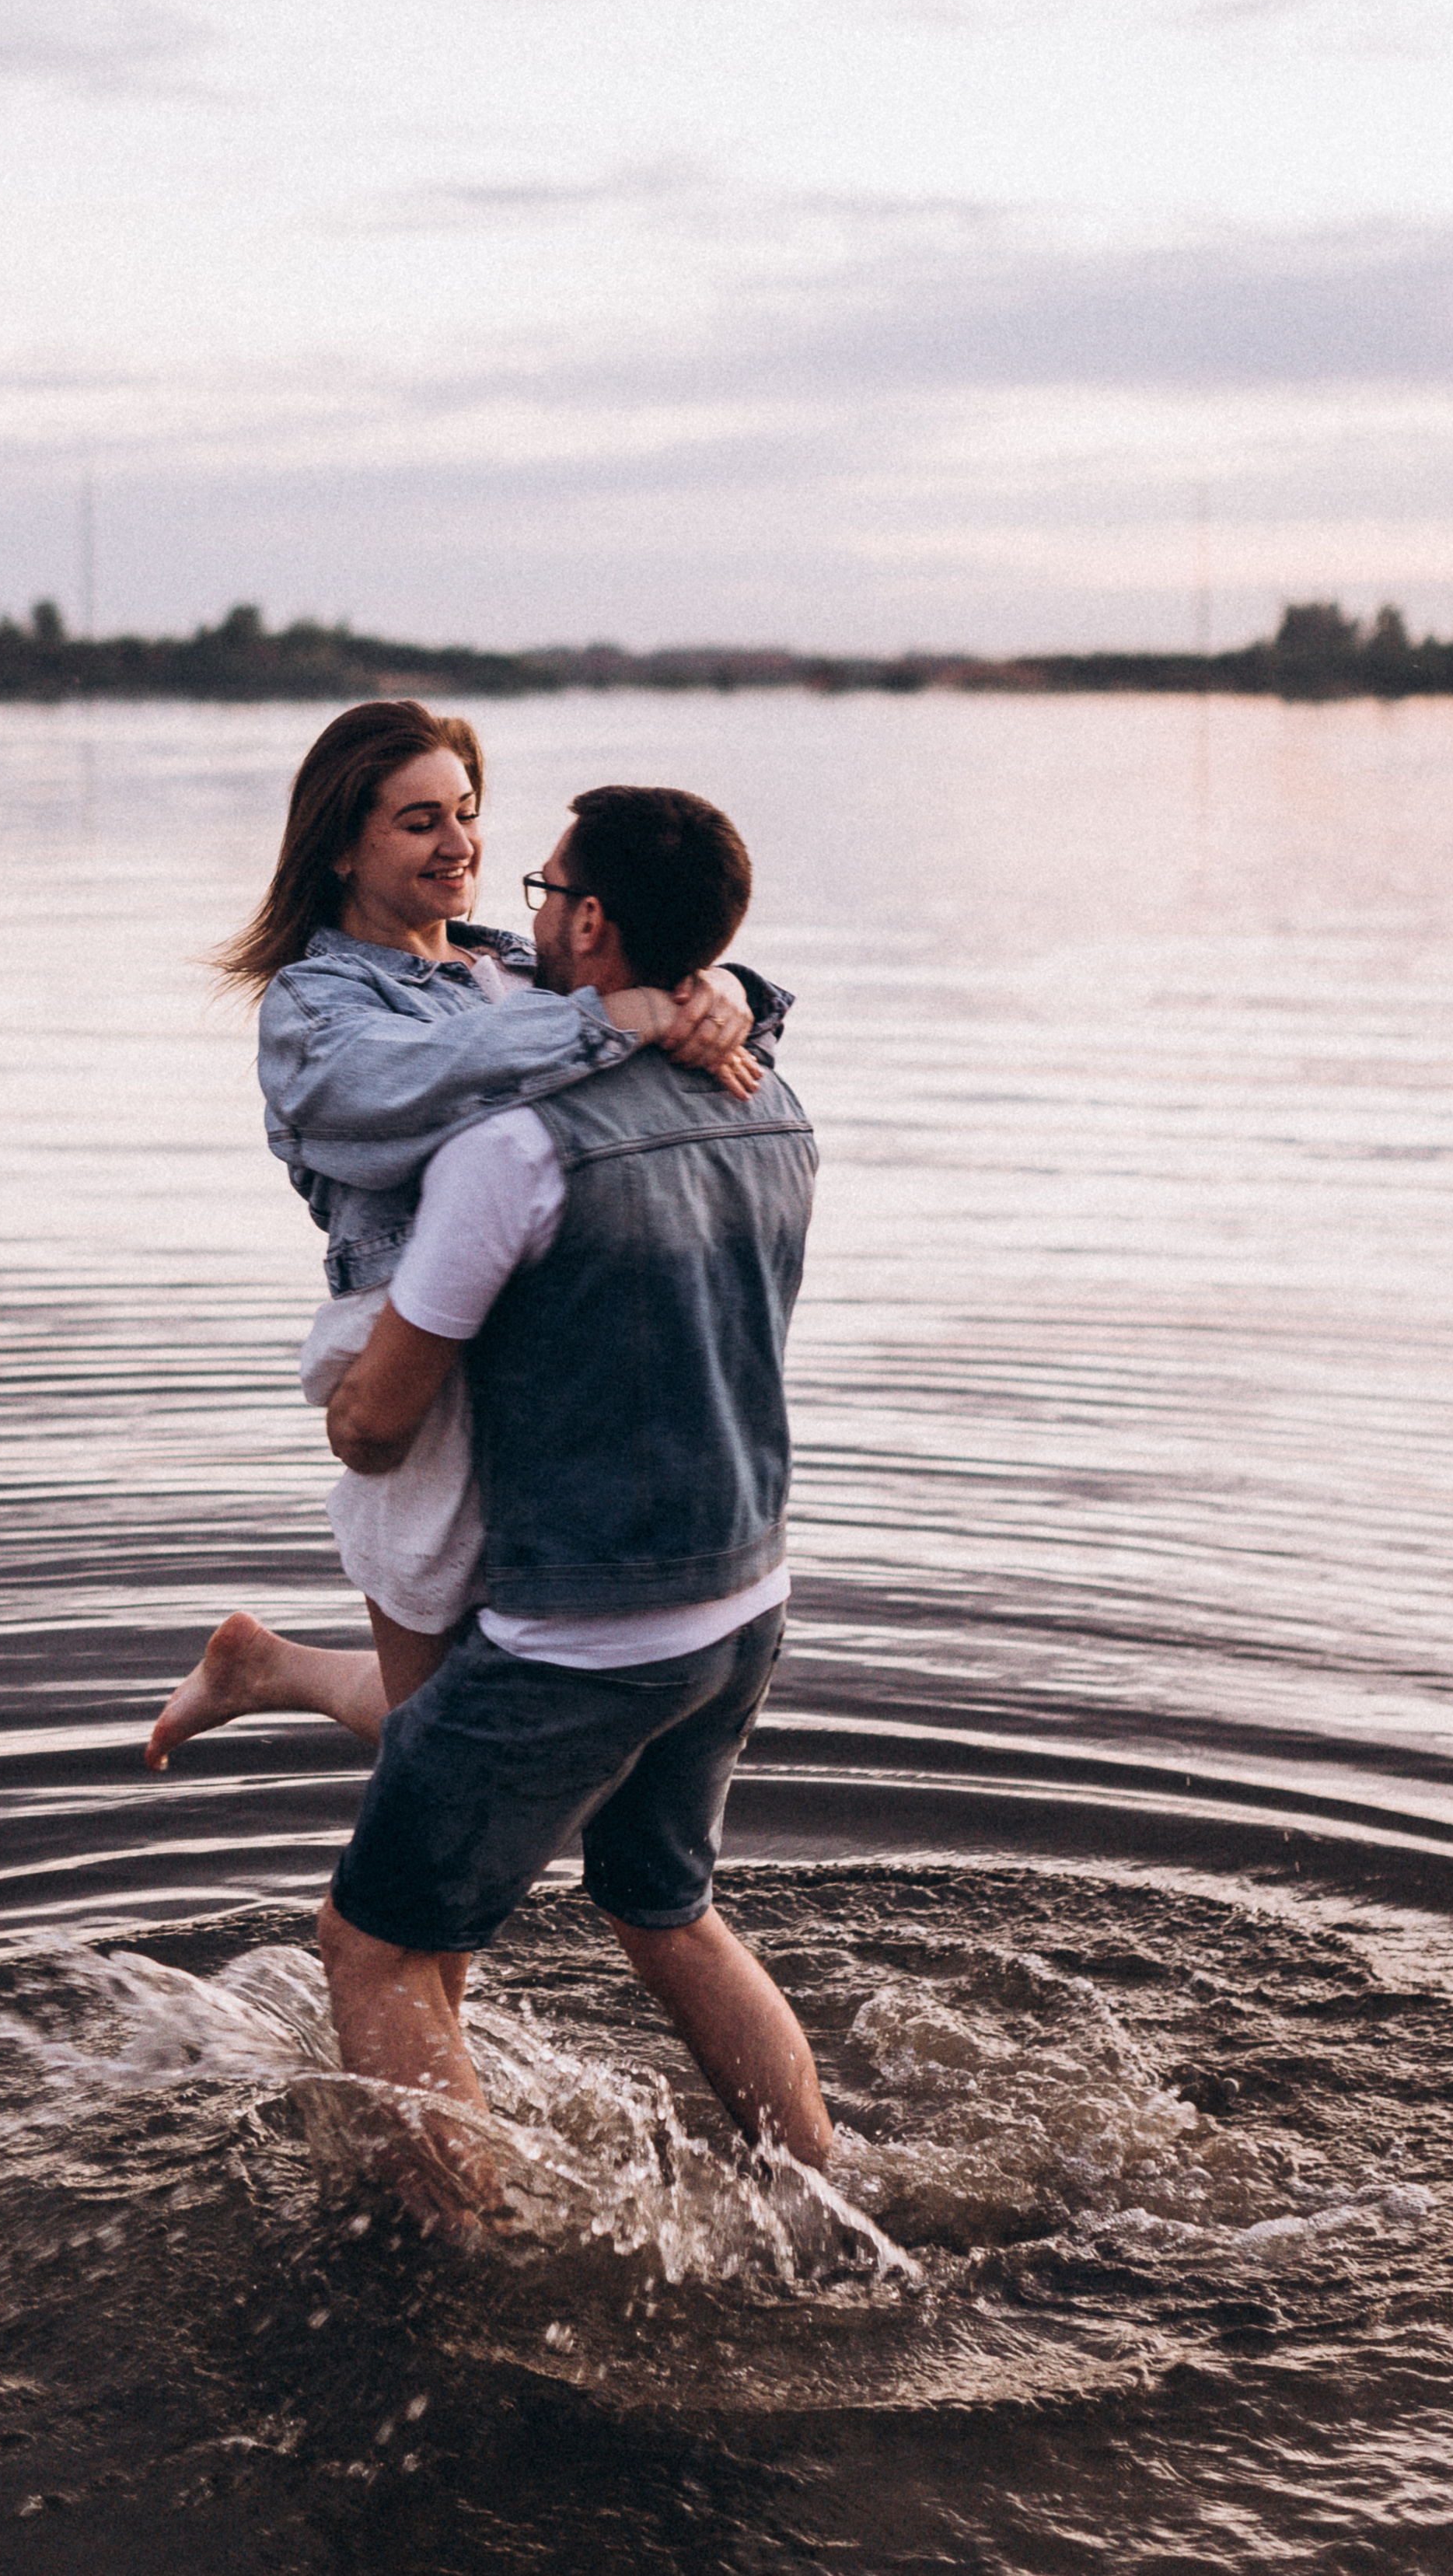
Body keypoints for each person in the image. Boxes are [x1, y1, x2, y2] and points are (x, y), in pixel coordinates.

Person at [309, 784, 844, 2230]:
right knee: (661, 1908)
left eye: (543, 889)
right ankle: (828, 2199)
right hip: (745, 1599)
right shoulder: (772, 1103)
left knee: (371, 1948)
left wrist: (348, 1382)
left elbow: (378, 1425)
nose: (523, 912)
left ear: (591, 923)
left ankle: (460, 2274)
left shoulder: (513, 1155)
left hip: (587, 1631)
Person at [145, 701, 786, 1769]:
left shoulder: (518, 964)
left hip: (534, 1339)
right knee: (444, 1735)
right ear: (343, 846)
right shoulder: (321, 1006)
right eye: (418, 823)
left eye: (467, 812)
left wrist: (725, 992)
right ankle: (396, 1926)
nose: (459, 846)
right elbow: (406, 1092)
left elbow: (674, 1017)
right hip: (411, 1340)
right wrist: (615, 1019)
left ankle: (272, 1673)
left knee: (487, 1705)